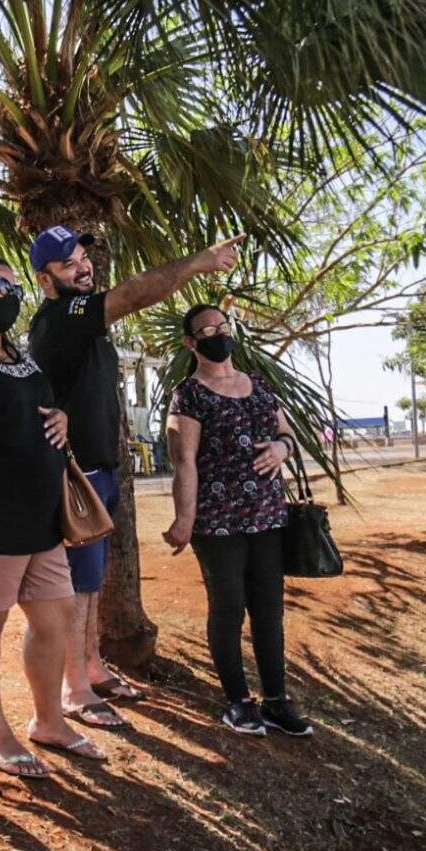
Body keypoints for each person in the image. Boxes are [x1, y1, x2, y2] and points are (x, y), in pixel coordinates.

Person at [27, 224, 241, 729]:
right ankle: (75, 688)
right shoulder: (62, 318)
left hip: (100, 471)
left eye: (83, 256)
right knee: (77, 588)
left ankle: (94, 667)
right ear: (44, 280)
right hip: (72, 477)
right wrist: (199, 262)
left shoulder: (84, 324)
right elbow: (132, 294)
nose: (82, 266)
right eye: (68, 262)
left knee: (93, 584)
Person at [0, 256, 104, 778]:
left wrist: (60, 416)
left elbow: (40, 406)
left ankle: (48, 721)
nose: (10, 292)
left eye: (13, 283)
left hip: (42, 517)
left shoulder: (22, 355)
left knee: (54, 616)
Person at [162, 303, 313, 738]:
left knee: (269, 609)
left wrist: (283, 449)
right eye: (206, 330)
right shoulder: (187, 394)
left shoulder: (259, 384)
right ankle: (238, 702)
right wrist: (184, 520)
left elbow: (287, 434)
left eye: (222, 327)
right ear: (191, 342)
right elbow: (184, 461)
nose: (217, 335)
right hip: (217, 521)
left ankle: (277, 700)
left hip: (267, 515)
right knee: (228, 607)